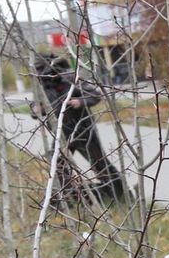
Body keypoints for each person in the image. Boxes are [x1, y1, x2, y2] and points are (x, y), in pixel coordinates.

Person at [32, 54, 126, 202]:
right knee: (58, 165)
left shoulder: (71, 77)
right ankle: (68, 198)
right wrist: (37, 109)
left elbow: (95, 94)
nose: (38, 74)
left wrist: (79, 101)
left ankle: (119, 193)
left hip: (83, 129)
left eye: (39, 70)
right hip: (62, 133)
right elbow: (36, 104)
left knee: (98, 162)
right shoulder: (41, 86)